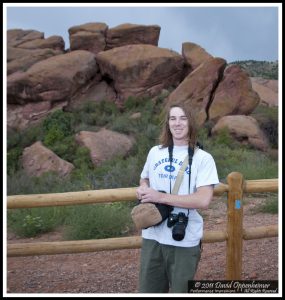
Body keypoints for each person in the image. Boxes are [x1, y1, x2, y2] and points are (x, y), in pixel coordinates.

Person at [136, 102, 219, 293]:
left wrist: (161, 197)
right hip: (152, 235)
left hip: (184, 238)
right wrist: (143, 188)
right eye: (173, 118)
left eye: (183, 118)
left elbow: (203, 200)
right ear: (167, 123)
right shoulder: (155, 152)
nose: (178, 123)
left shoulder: (203, 158)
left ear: (191, 123)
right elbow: (144, 177)